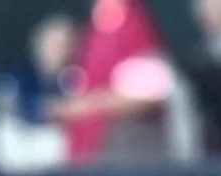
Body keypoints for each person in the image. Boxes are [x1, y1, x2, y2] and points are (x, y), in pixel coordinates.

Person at [64, 0, 179, 164]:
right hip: (89, 153)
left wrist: (92, 104)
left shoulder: (136, 25)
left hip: (127, 149)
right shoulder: (96, 27)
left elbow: (149, 97)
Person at [0, 16, 77, 174]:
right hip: (17, 150)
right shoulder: (17, 76)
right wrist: (46, 108)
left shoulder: (73, 76)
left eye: (62, 45)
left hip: (59, 164)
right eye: (51, 43)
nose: (56, 50)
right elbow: (16, 108)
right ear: (39, 43)